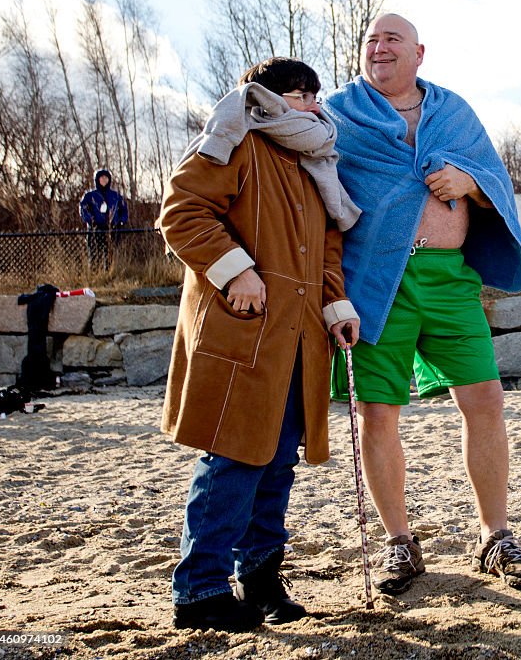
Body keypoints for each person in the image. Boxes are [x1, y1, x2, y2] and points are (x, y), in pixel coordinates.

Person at [322, 13, 521, 596]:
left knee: (486, 400)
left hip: (451, 282)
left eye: (391, 38)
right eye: (371, 40)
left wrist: (468, 184)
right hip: (375, 282)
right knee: (376, 412)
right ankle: (400, 542)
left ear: (419, 52)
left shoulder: (453, 112)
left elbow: (494, 176)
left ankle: (496, 536)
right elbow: (316, 185)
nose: (379, 47)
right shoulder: (342, 113)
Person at [157, 57, 360, 632]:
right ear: (266, 98)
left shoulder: (312, 161)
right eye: (300, 95)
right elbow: (182, 211)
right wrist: (235, 270)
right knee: (234, 458)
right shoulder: (235, 140)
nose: (314, 105)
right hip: (241, 331)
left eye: (315, 95)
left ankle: (262, 579)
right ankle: (198, 590)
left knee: (276, 464)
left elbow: (325, 249)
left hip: (298, 340)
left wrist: (334, 304)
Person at [79, 168, 128, 269]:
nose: (104, 180)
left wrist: (120, 222)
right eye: (102, 178)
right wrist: (92, 221)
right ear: (97, 179)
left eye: (106, 178)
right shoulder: (90, 195)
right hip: (95, 230)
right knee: (94, 256)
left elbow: (124, 210)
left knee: (110, 256)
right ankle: (94, 276)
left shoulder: (116, 196)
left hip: (112, 230)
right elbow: (83, 209)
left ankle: (108, 276)